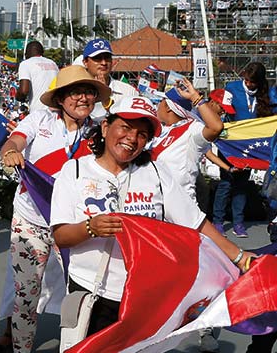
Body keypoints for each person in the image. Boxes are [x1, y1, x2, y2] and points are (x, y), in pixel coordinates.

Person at [50, 96, 255, 336]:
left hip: (144, 299)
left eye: (142, 134)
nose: (131, 139)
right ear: (105, 127)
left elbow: (196, 223)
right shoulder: (74, 171)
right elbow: (61, 236)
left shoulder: (156, 173)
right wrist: (90, 227)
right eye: (125, 127)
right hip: (91, 294)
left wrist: (239, 257)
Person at [0, 65, 110, 353]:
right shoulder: (40, 119)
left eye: (88, 92)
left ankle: (76, 348)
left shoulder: (100, 130)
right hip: (31, 219)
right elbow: (15, 140)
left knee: (81, 292)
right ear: (60, 98)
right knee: (26, 295)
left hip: (73, 225)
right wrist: (11, 151)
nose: (83, 98)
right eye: (75, 93)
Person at [150, 81, 225, 353]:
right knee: (162, 282)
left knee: (197, 278)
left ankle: (206, 328)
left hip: (185, 221)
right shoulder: (159, 134)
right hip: (157, 220)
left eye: (161, 102)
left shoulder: (192, 133)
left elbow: (216, 127)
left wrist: (195, 98)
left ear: (169, 108)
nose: (156, 105)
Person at [213, 62, 277, 238]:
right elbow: (221, 110)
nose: (248, 84)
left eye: (252, 82)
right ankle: (218, 221)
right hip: (232, 143)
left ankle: (238, 223)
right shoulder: (232, 88)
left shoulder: (266, 93)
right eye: (247, 80)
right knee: (226, 183)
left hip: (249, 146)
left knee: (241, 185)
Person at [80, 38, 138, 120]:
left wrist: (105, 96)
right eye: (97, 58)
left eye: (107, 58)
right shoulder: (76, 92)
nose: (103, 63)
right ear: (85, 62)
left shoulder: (128, 92)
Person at [16, 40, 59, 113]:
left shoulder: (25, 64)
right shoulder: (53, 63)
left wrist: (18, 97)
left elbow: (23, 91)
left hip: (39, 112)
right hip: (57, 111)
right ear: (42, 52)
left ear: (26, 54)